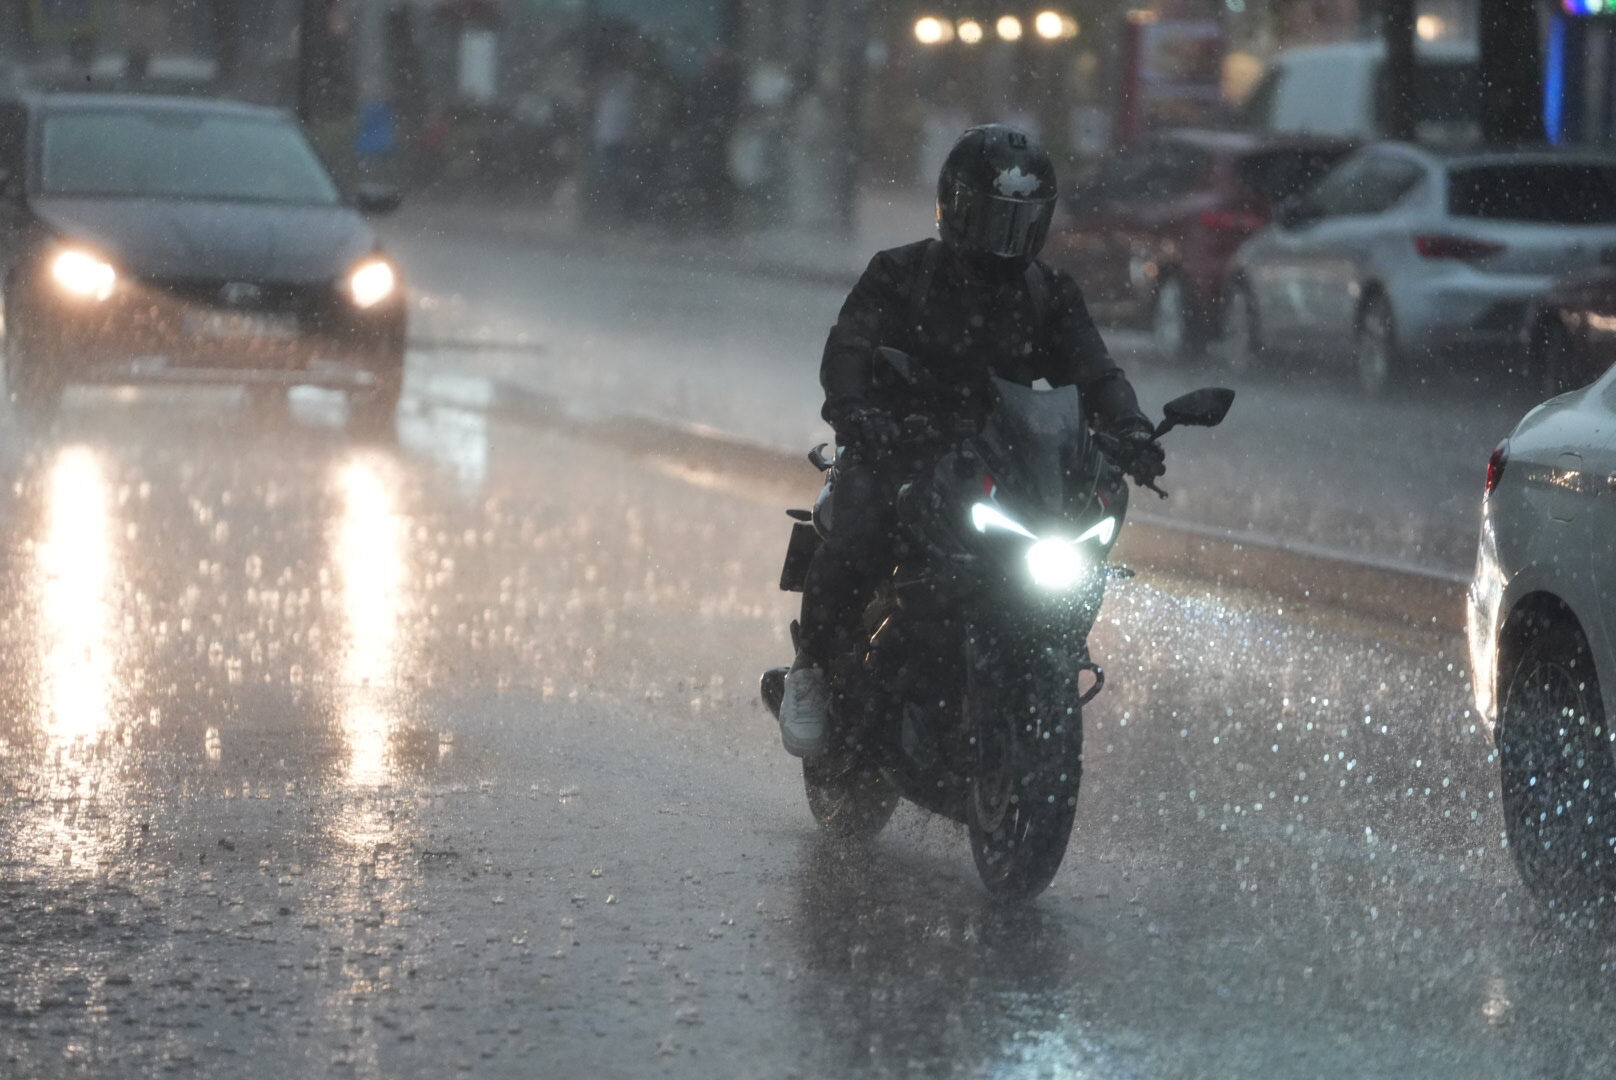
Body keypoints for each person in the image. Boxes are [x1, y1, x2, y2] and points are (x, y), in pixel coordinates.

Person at [776, 123, 1166, 758]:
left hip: (1001, 453)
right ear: (954, 209)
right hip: (904, 442)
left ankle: (1045, 656)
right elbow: (849, 346)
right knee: (861, 519)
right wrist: (857, 410)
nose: (1003, 240)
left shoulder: (1049, 293)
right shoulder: (900, 273)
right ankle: (812, 671)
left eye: (1020, 222)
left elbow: (1095, 371)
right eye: (991, 220)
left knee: (1081, 522)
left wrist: (1130, 428)